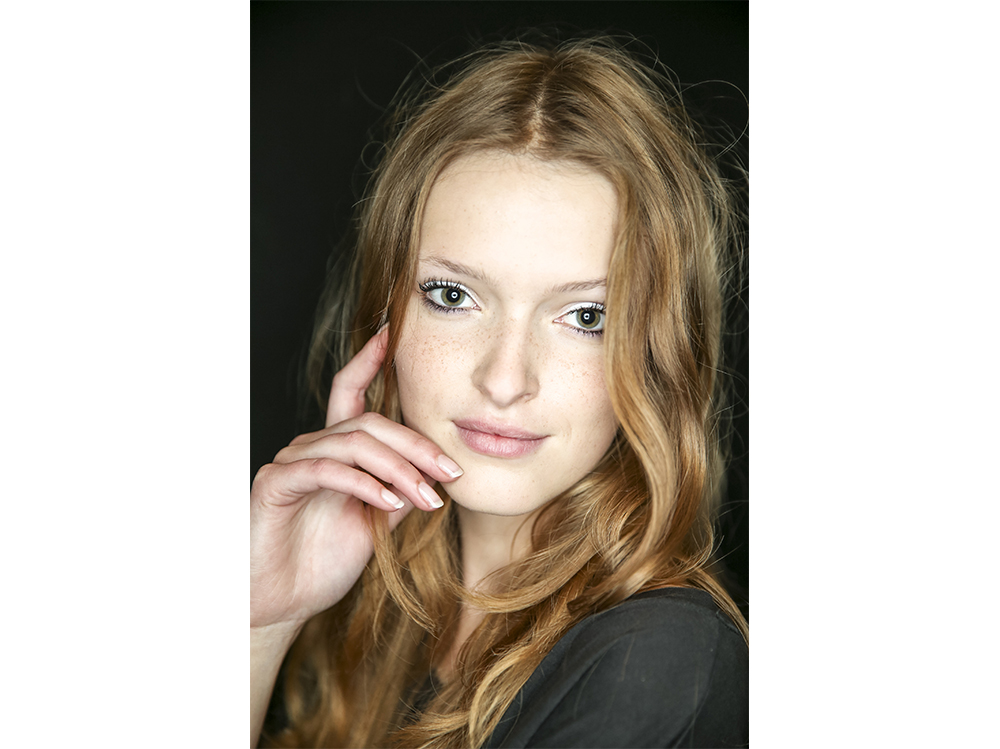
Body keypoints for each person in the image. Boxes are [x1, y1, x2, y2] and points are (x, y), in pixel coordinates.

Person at [251, 37, 748, 748]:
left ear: (658, 353)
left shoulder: (658, 659)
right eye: (454, 296)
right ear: (386, 315)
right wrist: (261, 621)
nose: (506, 380)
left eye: (587, 317)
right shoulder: (382, 614)